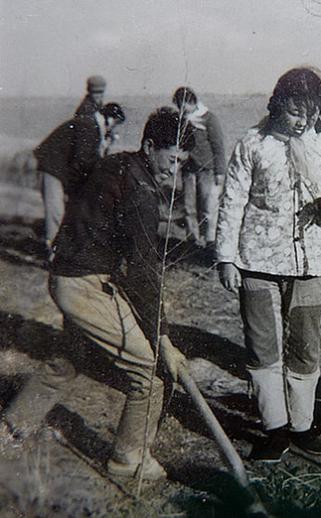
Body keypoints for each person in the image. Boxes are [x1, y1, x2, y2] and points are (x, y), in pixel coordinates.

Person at [3, 108, 194, 479]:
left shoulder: (115, 164)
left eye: (182, 164)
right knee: (148, 375)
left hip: (66, 274)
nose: (175, 171)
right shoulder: (141, 193)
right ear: (151, 146)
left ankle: (12, 426)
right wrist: (165, 339)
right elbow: (143, 273)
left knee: (68, 360)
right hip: (82, 285)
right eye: (172, 160)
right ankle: (127, 459)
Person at [216, 68, 321, 463]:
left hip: (311, 263)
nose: (303, 120)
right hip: (258, 263)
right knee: (263, 348)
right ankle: (274, 430)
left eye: (310, 112)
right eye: (295, 111)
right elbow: (231, 202)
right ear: (277, 103)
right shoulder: (253, 144)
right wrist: (226, 258)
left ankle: (302, 426)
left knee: (305, 348)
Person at [33, 103, 126, 255]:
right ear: (109, 119)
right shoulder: (89, 126)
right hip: (51, 168)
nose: (113, 130)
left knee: (58, 213)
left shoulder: (91, 124)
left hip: (56, 168)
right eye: (115, 124)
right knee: (55, 214)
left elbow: (84, 159)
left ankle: (55, 252)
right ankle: (54, 256)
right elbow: (82, 161)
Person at [172, 87, 226, 248]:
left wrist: (220, 172)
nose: (181, 110)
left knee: (207, 206)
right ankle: (192, 241)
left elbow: (218, 146)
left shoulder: (209, 118)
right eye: (178, 107)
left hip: (206, 170)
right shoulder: (181, 120)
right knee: (188, 206)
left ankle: (209, 239)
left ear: (192, 102)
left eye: (183, 106)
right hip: (188, 169)